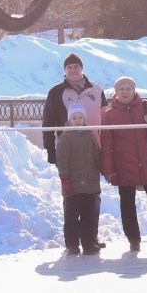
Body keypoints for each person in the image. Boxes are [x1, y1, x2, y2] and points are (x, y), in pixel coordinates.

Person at [100, 77, 147, 251]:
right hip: (124, 165)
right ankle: (133, 240)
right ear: (116, 93)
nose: (125, 91)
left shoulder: (146, 105)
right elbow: (106, 145)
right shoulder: (109, 114)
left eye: (128, 88)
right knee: (127, 203)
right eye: (121, 89)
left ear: (134, 90)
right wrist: (109, 170)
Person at [42, 53, 107, 249]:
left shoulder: (96, 90)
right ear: (65, 70)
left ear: (82, 68)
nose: (73, 70)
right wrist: (50, 150)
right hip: (68, 150)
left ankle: (90, 239)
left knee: (92, 197)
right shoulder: (56, 92)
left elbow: (107, 117)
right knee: (72, 199)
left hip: (94, 147)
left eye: (76, 66)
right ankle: (72, 242)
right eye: (69, 67)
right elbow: (48, 122)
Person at [56, 103, 101, 256]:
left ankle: (89, 243)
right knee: (72, 216)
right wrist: (64, 179)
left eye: (80, 117)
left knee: (89, 215)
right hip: (73, 185)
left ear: (84, 118)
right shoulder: (66, 136)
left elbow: (97, 155)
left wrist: (105, 170)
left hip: (90, 184)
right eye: (74, 117)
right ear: (70, 119)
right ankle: (72, 244)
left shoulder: (90, 134)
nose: (77, 120)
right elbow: (61, 160)